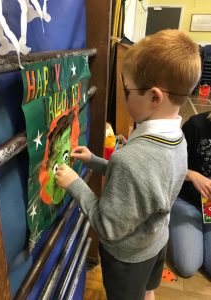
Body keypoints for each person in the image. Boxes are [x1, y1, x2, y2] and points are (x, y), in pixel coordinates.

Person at [55, 29, 201, 300]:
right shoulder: (177, 138)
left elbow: (107, 226)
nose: (125, 97)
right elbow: (145, 184)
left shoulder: (132, 158)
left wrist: (74, 184)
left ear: (154, 97)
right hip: (157, 241)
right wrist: (95, 162)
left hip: (127, 259)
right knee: (148, 291)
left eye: (127, 90)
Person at [169, 111, 211, 278]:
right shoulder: (195, 125)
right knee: (187, 267)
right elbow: (170, 164)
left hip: (208, 206)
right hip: (186, 201)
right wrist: (193, 175)